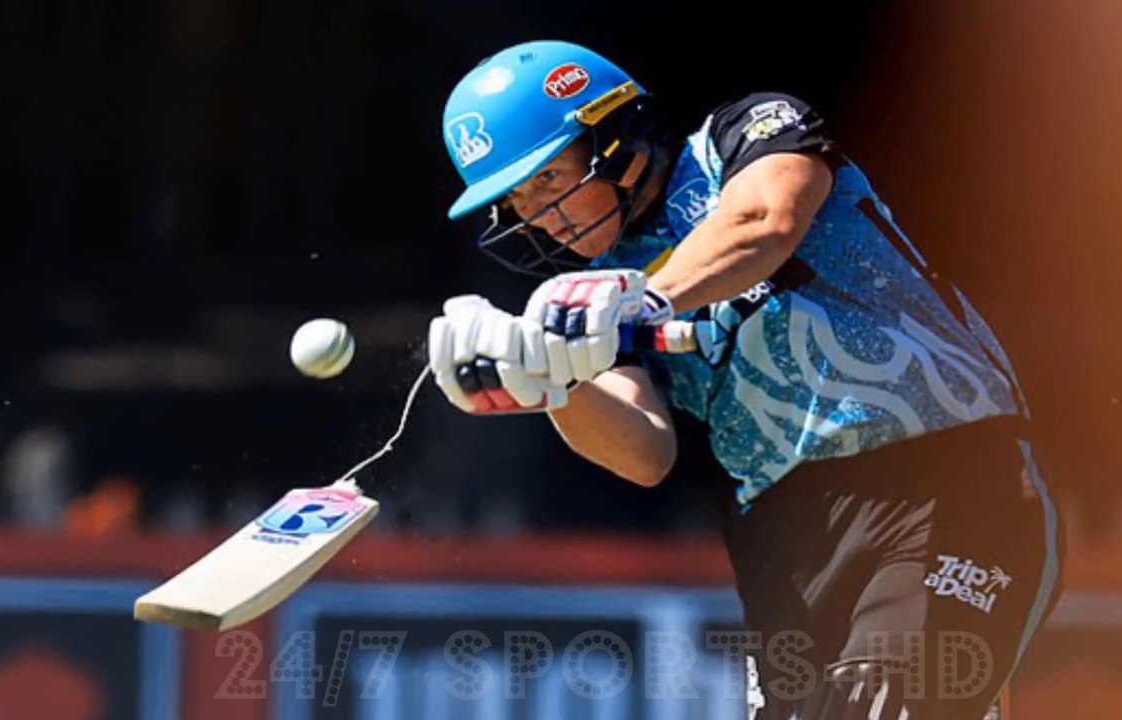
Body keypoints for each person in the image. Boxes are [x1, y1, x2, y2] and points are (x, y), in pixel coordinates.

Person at [427, 39, 1064, 719]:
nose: (540, 216)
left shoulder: (746, 134)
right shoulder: (589, 291)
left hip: (943, 475)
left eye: (550, 180)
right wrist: (551, 381)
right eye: (521, 199)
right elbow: (644, 450)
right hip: (786, 542)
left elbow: (766, 220)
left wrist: (639, 302)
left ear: (611, 139)